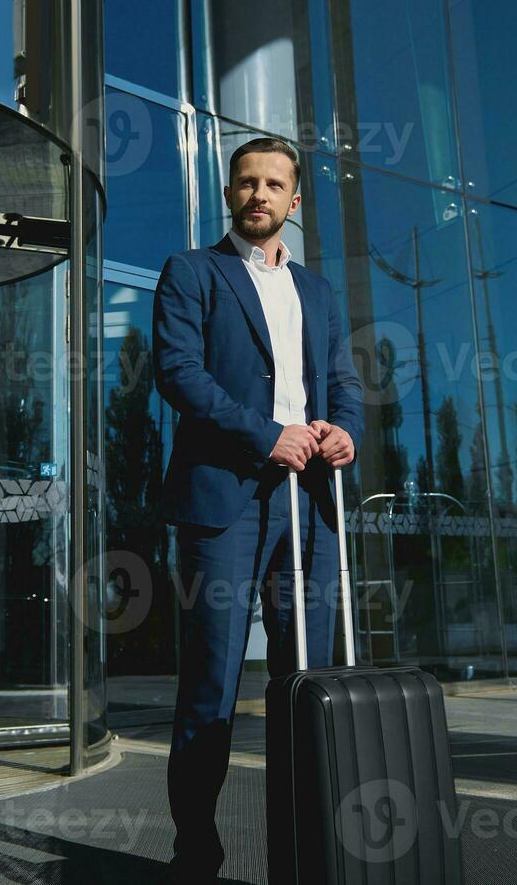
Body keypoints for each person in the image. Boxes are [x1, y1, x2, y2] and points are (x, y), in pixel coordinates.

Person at [152, 137, 364, 881]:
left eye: (274, 184)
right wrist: (265, 434)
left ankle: (301, 850)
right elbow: (178, 374)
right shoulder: (192, 271)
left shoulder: (318, 292)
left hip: (309, 505)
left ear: (294, 201)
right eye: (246, 182)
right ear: (229, 192)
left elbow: (340, 384)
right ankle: (195, 856)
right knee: (210, 685)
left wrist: (345, 433)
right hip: (225, 501)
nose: (258, 194)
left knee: (304, 683)